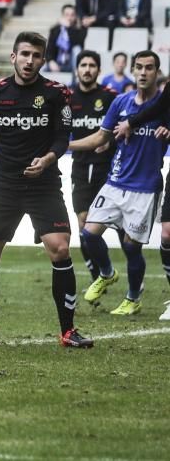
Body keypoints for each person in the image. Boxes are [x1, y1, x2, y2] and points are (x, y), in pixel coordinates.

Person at [0, 32, 92, 348]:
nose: (30, 61)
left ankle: (68, 332)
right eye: (24, 54)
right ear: (13, 56)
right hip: (4, 187)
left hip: (44, 185)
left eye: (36, 56)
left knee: (60, 248)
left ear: (43, 59)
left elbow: (62, 137)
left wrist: (48, 159)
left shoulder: (56, 93)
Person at [69, 51, 167, 316]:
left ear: (157, 72)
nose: (144, 72)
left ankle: (133, 298)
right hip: (115, 182)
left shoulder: (164, 107)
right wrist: (62, 146)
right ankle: (107, 273)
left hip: (145, 188)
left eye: (149, 68)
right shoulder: (121, 102)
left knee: (132, 247)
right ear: (133, 71)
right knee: (89, 233)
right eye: (139, 67)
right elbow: (99, 139)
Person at [65, 51, 118, 282]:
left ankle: (110, 271)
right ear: (77, 69)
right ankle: (98, 275)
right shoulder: (67, 98)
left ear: (98, 70)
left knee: (116, 226)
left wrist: (110, 142)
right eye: (83, 65)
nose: (87, 69)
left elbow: (123, 129)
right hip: (79, 167)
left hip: (108, 169)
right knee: (82, 223)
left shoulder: (109, 97)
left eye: (92, 65)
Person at [46, 4, 85, 73]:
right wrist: (51, 61)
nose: (69, 18)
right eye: (67, 15)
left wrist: (68, 27)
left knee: (77, 49)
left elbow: (76, 44)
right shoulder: (55, 30)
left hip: (71, 64)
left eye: (72, 15)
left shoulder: (80, 30)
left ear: (75, 17)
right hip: (56, 63)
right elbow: (49, 49)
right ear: (62, 16)